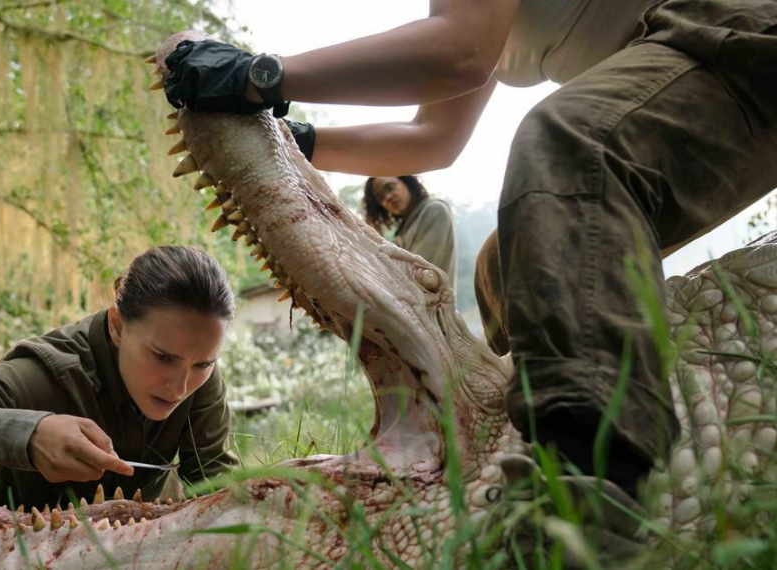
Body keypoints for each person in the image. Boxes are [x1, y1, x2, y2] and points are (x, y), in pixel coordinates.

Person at [156, 0, 777, 560]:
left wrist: (259, 75)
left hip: (730, 30)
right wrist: (298, 142)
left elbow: (457, 52)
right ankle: (517, 427)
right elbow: (435, 137)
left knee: (567, 144)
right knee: (505, 264)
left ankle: (584, 491)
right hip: (683, 70)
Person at [0, 245, 237, 509]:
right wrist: (27, 435)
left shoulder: (198, 372)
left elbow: (216, 491)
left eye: (203, 364)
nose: (180, 386)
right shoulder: (45, 374)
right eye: (162, 357)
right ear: (117, 324)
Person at [364, 175, 457, 284]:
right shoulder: (403, 229)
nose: (388, 197)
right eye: (380, 197)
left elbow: (420, 273)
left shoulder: (434, 210)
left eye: (390, 187)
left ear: (406, 181)